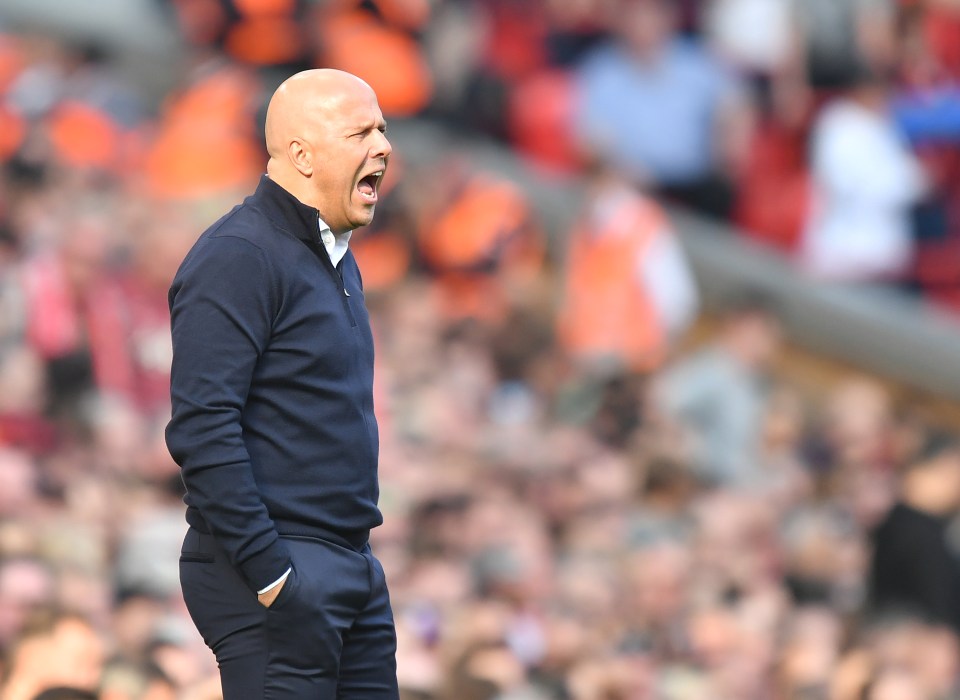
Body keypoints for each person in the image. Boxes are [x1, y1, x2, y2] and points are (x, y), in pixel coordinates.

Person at [165, 69, 398, 697]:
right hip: (278, 566)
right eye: (360, 132)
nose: (383, 146)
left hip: (348, 564)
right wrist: (270, 571)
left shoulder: (331, 258)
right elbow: (202, 424)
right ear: (300, 154)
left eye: (382, 128)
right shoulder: (240, 254)